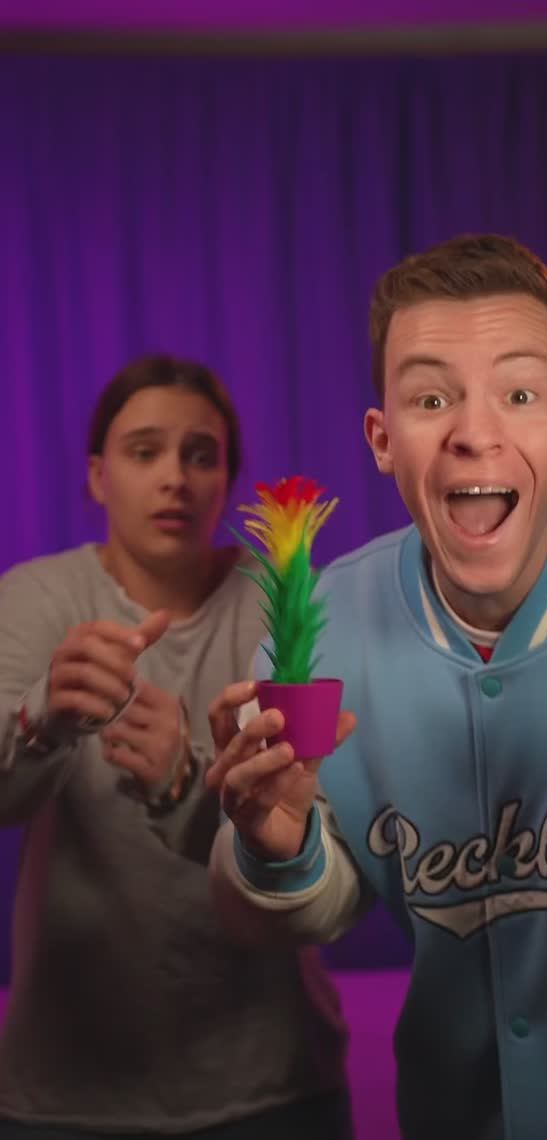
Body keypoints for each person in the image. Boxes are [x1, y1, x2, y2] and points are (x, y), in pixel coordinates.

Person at [207, 234, 547, 1140]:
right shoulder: (316, 632)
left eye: (519, 394)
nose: (474, 432)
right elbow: (303, 909)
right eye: (431, 399)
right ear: (381, 439)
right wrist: (276, 848)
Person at [0, 354, 352, 1139]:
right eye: (144, 451)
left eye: (201, 455)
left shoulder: (286, 613)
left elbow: (318, 852)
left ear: (227, 480)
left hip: (273, 1085)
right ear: (98, 476)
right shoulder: (37, 597)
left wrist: (184, 787)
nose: (176, 479)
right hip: (66, 1094)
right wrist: (43, 715)